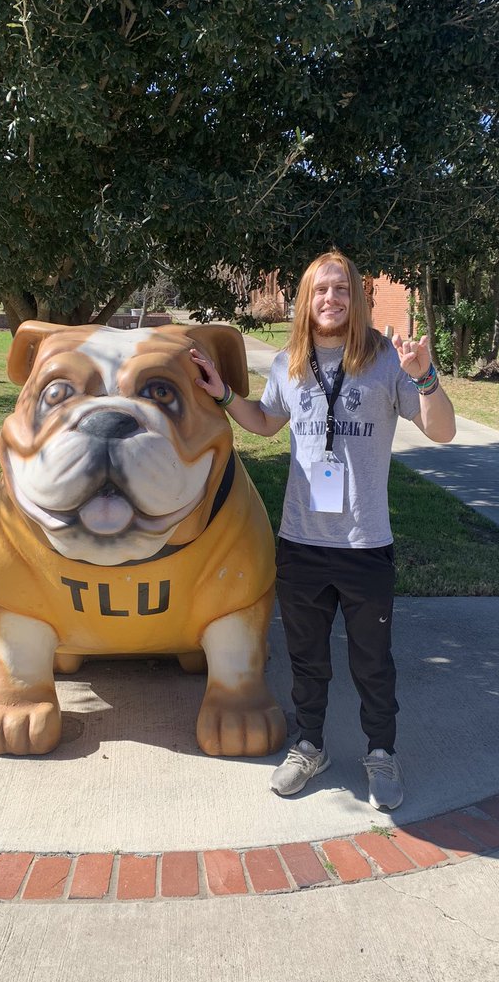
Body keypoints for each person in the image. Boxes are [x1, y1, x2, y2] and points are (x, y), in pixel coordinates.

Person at [190, 250, 456, 810]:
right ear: (305, 300)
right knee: (308, 659)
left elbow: (442, 433)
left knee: (372, 663)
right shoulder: (290, 361)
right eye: (319, 290)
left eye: (341, 289)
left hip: (365, 545)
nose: (330, 299)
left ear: (356, 297)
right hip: (302, 542)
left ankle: (381, 754)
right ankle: (310, 746)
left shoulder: (386, 360)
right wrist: (220, 394)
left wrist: (425, 378)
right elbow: (264, 424)